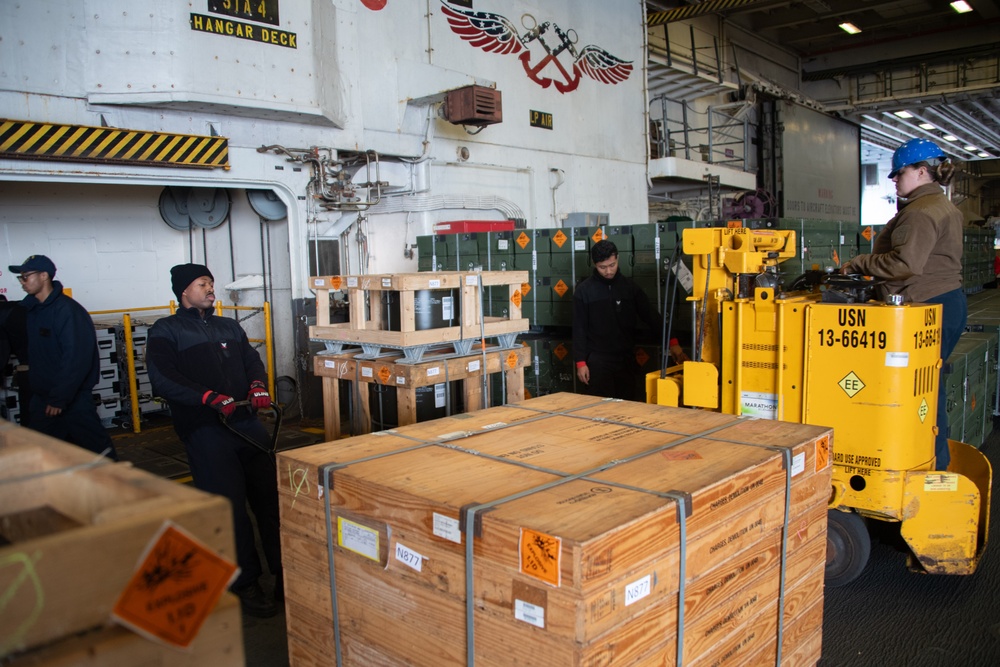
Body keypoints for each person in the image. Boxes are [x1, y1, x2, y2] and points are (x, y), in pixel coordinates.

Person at [145, 263, 282, 618]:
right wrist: (206, 396)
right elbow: (163, 378)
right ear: (183, 291)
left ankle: (285, 572)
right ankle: (245, 582)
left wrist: (257, 385)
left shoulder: (228, 326)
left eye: (210, 283)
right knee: (229, 510)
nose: (209, 288)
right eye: (202, 283)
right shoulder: (166, 330)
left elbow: (252, 360)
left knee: (271, 501)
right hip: (205, 429)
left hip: (245, 422)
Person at [841, 138, 965, 470]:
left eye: (899, 173)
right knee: (927, 386)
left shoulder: (921, 213)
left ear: (921, 171)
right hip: (944, 303)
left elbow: (905, 264)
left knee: (922, 390)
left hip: (927, 306)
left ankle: (928, 466)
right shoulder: (940, 206)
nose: (894, 179)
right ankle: (930, 461)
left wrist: (859, 264)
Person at [8, 255, 117, 458]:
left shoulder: (68, 311)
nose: (22, 282)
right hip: (43, 398)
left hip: (72, 400)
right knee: (40, 453)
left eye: (26, 277)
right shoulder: (32, 310)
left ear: (44, 276)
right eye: (20, 278)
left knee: (98, 452)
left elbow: (75, 359)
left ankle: (121, 485)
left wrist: (59, 399)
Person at [573, 239, 688, 401]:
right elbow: (579, 328)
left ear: (617, 258)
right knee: (599, 411)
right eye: (602, 267)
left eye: (612, 265)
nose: (608, 271)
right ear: (594, 264)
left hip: (625, 361)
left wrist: (673, 343)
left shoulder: (629, 288)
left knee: (627, 408)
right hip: (598, 362)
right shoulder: (584, 292)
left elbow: (652, 317)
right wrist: (580, 362)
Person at [0, 294, 31, 427]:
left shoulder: (5, 314)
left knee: (32, 419)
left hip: (34, 370)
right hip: (46, 366)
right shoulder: (15, 308)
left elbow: (2, 350)